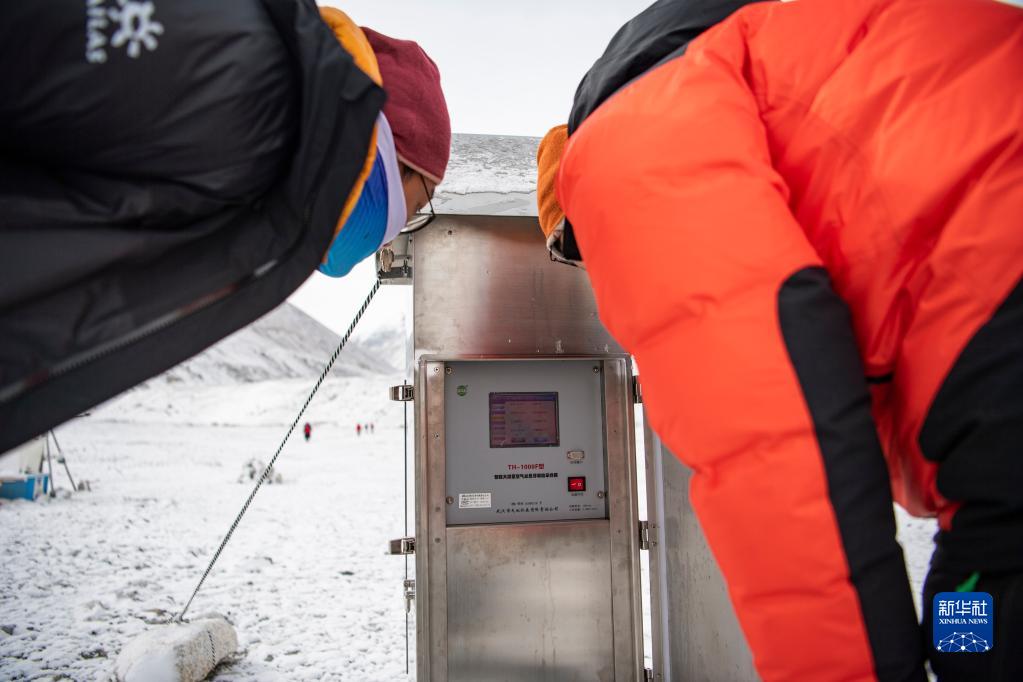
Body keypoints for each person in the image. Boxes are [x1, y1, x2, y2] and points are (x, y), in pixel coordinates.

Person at [536, 0, 1022, 680]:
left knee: (981, 630)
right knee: (967, 614)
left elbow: (778, 457)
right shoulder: (794, 57)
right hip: (989, 408)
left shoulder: (630, 148)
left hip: (995, 324)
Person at [0, 2, 449, 452]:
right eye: (417, 205)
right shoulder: (245, 73)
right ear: (397, 157)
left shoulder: (261, 172)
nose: (395, 233)